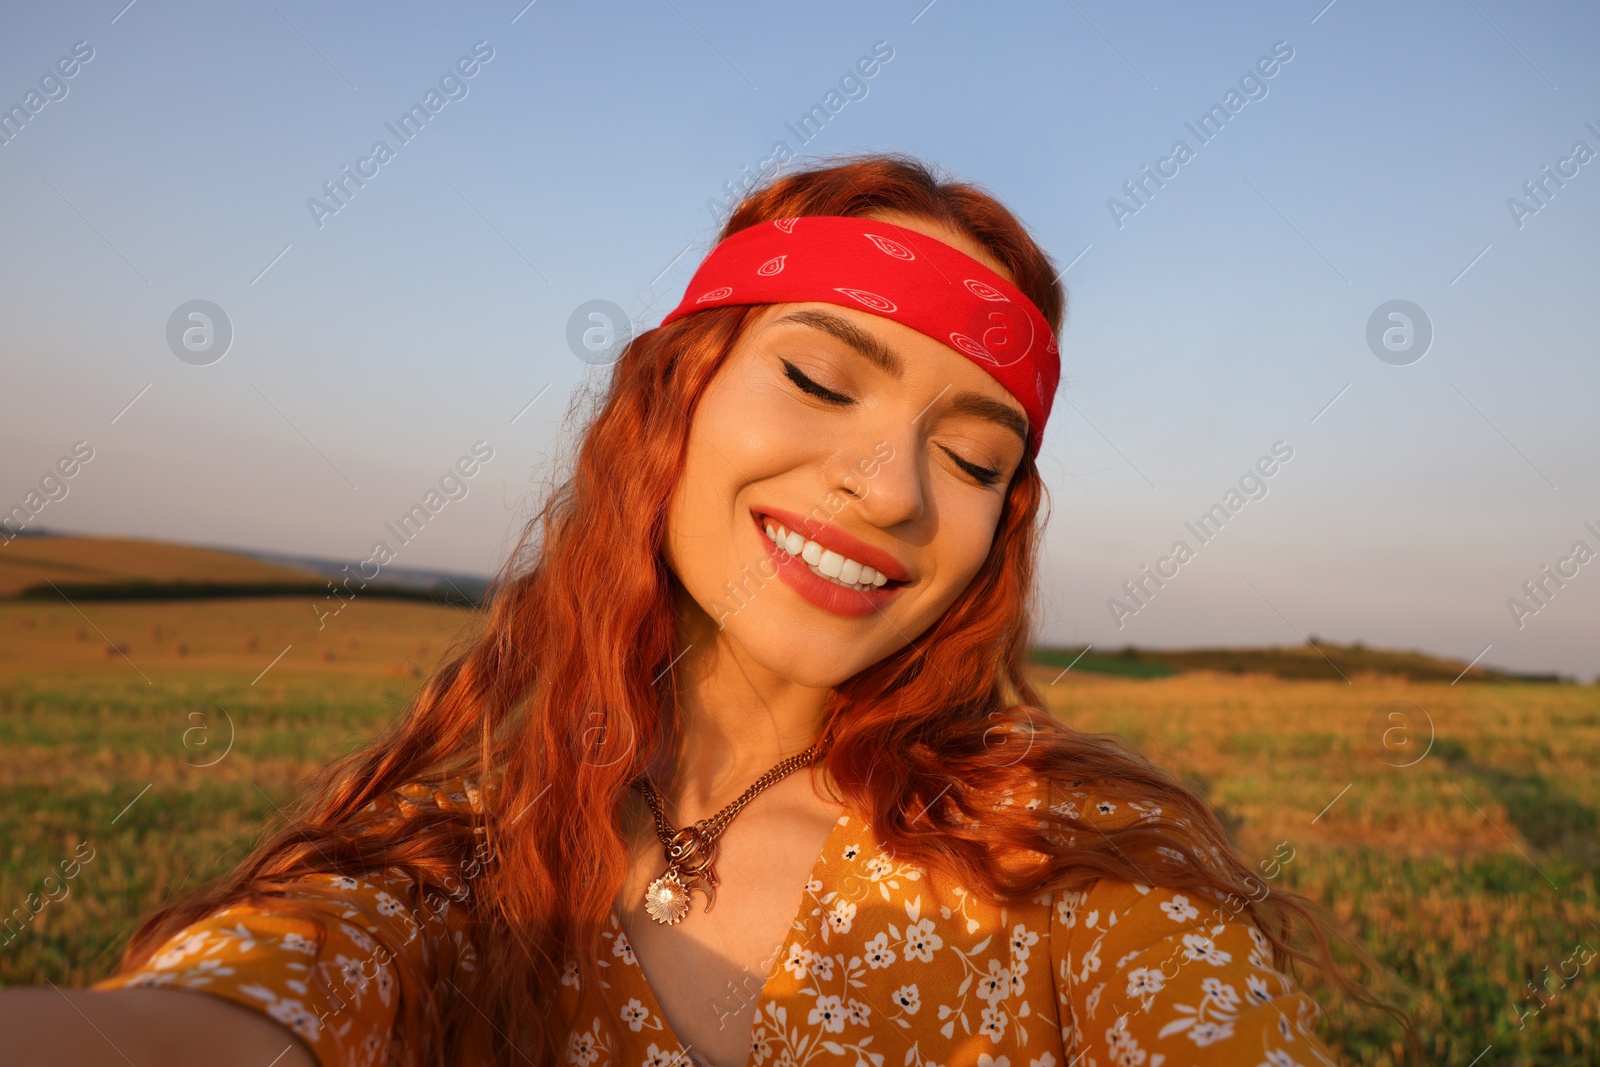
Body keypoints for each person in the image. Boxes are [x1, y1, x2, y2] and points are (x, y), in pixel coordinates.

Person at [2, 153, 1418, 1067]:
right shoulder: (440, 889)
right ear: (673, 399)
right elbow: (199, 1032)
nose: (889, 486)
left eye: (975, 455)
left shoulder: (1073, 874)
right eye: (819, 378)